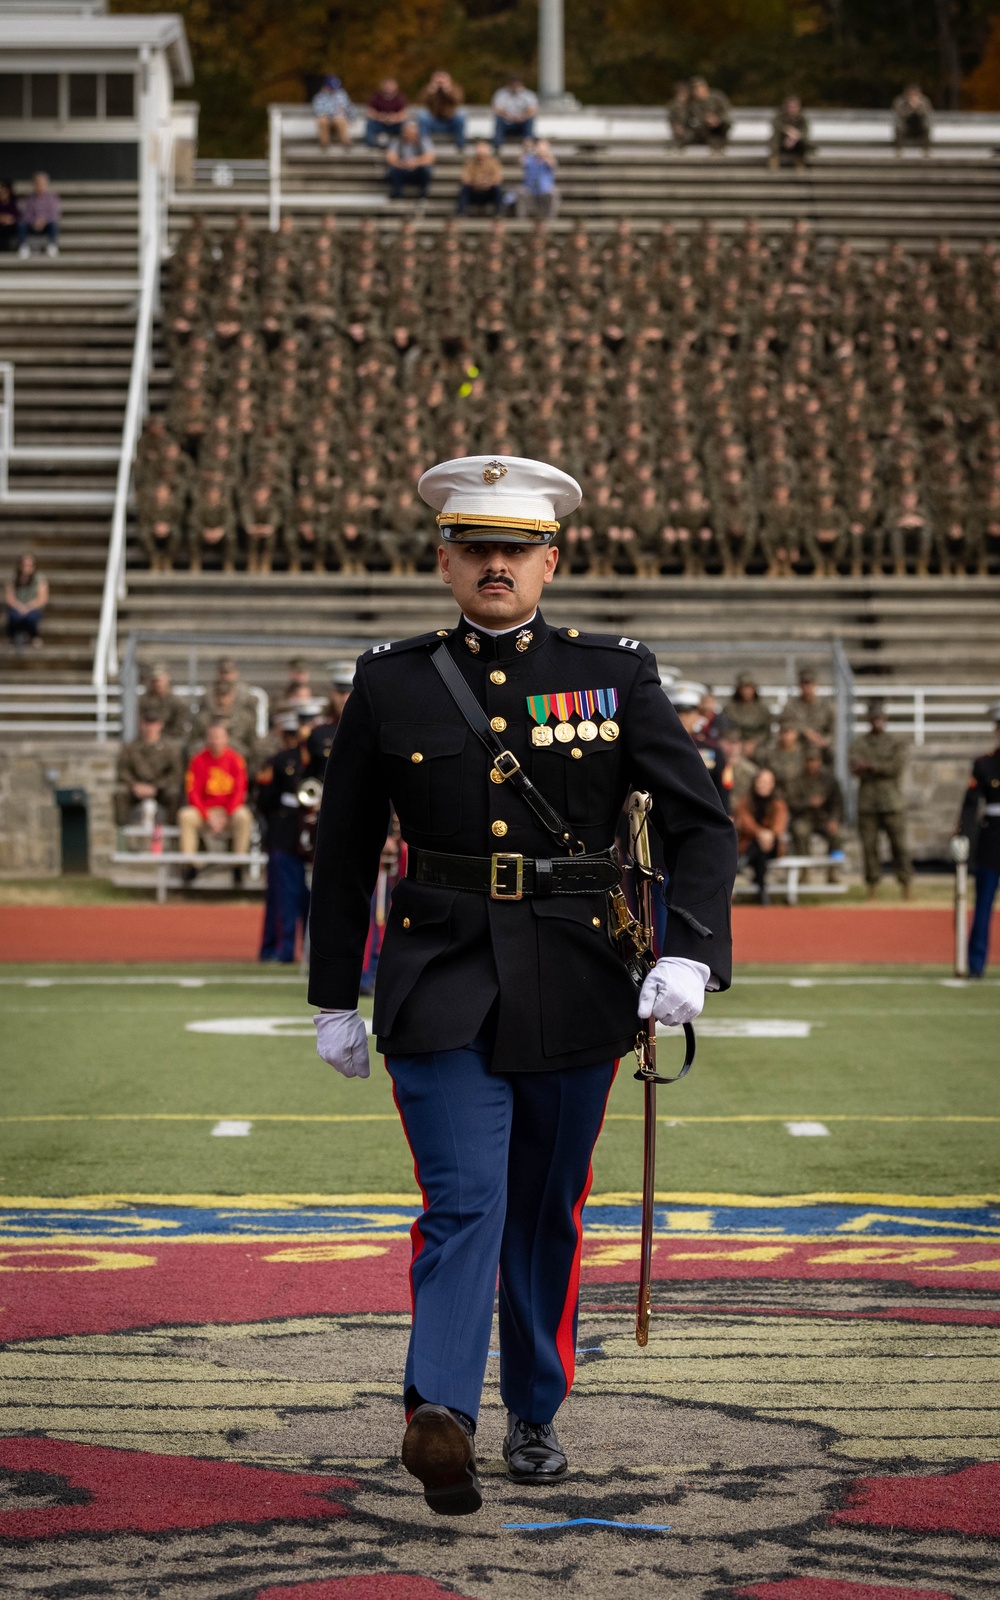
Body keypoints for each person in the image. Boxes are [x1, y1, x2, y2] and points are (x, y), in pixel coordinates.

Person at [309, 453, 737, 1516]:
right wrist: (331, 991)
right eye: (474, 546)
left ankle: (534, 1411)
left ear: (551, 559)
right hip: (439, 968)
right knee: (465, 1199)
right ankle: (440, 1413)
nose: (495, 564)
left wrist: (688, 948)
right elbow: (347, 843)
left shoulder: (617, 673)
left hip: (575, 971)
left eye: (515, 547)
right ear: (443, 560)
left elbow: (700, 822)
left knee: (544, 1210)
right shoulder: (389, 679)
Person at [257, 711, 311, 963]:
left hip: (306, 834)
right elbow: (265, 800)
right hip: (286, 833)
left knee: (293, 896)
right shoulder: (277, 760)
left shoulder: (290, 759)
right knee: (284, 896)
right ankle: (283, 948)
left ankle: (288, 948)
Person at [850, 698, 913, 899]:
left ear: (885, 719)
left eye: (880, 718)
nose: (877, 721)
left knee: (899, 846)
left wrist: (871, 766)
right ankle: (872, 886)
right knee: (869, 848)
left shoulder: (895, 742)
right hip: (868, 803)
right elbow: (854, 767)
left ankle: (906, 884)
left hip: (892, 802)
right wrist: (876, 767)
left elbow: (896, 768)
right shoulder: (860, 743)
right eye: (873, 717)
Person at [957, 702, 1000, 978]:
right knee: (983, 904)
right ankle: (975, 963)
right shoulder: (985, 764)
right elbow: (971, 804)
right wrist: (963, 834)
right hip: (993, 840)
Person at [178, 720, 254, 872]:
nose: (215, 741)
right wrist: (207, 816)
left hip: (228, 812)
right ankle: (190, 865)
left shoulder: (236, 760)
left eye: (219, 737)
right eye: (212, 737)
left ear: (226, 738)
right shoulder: (197, 760)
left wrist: (226, 815)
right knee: (185, 816)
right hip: (206, 812)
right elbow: (192, 792)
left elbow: (240, 791)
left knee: (244, 816)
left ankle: (238, 864)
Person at [114, 709, 184, 833]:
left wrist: (156, 787)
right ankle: (122, 834)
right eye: (147, 723)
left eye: (154, 723)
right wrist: (134, 785)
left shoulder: (169, 748)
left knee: (174, 793)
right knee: (120, 792)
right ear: (141, 724)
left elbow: (176, 774)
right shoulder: (131, 747)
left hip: (161, 790)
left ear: (160, 725)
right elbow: (122, 771)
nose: (150, 727)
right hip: (137, 789)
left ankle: (173, 835)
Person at [786, 751, 845, 877]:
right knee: (800, 831)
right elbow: (791, 803)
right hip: (804, 817)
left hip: (824, 818)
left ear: (820, 762)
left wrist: (834, 819)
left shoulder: (829, 780)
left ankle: (832, 871)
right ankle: (804, 871)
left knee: (837, 835)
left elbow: (838, 802)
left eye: (816, 760)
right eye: (810, 760)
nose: (813, 764)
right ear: (805, 762)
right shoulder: (796, 780)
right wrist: (808, 803)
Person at [734, 768, 788, 905]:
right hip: (750, 843)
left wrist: (769, 835)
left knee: (762, 847)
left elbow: (780, 825)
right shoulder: (745, 802)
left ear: (772, 784)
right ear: (755, 783)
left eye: (767, 782)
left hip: (771, 846)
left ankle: (743, 862)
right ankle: (762, 890)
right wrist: (760, 833)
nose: (763, 785)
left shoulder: (778, 804)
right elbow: (745, 822)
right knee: (760, 850)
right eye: (761, 781)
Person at [783, 667, 835, 762]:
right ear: (800, 686)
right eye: (804, 685)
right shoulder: (791, 706)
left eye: (810, 684)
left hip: (821, 744)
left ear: (815, 685)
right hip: (799, 744)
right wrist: (806, 732)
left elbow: (834, 727)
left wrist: (825, 740)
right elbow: (786, 724)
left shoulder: (825, 705)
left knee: (835, 751)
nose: (807, 688)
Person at [723, 671, 773, 758]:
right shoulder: (729, 709)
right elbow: (726, 729)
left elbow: (767, 732)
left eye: (749, 688)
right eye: (743, 688)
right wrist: (739, 743)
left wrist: (754, 742)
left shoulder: (763, 710)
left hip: (758, 746)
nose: (746, 691)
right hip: (736, 745)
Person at [5, 554, 48, 648]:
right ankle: (13, 637)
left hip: (33, 607)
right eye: (25, 565)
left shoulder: (39, 578)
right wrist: (19, 606)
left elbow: (42, 599)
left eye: (30, 565)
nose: (27, 568)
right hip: (17, 607)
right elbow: (9, 598)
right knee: (13, 615)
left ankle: (34, 636)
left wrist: (28, 607)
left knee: (31, 617)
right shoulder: (13, 577)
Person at [139, 664, 190, 742]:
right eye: (154, 680)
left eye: (159, 679)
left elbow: (179, 730)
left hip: (170, 741)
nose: (157, 683)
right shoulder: (143, 702)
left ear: (167, 677)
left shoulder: (177, 703)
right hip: (146, 739)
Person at [386, 120, 435, 201]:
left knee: (427, 169)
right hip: (402, 169)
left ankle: (423, 193)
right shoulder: (397, 141)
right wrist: (404, 163)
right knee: (392, 169)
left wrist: (415, 162)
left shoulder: (423, 140)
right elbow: (391, 158)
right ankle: (397, 193)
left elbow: (430, 157)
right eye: (407, 131)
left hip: (417, 170)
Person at [419, 70, 467, 150]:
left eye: (443, 79)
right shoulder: (430, 89)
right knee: (422, 117)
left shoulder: (455, 88)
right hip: (434, 121)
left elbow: (458, 100)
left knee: (461, 116)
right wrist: (431, 90)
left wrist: (447, 90)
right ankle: (424, 147)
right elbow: (421, 101)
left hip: (450, 122)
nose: (440, 82)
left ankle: (460, 147)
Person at [17, 172, 60, 258]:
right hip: (33, 224)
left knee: (54, 224)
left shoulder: (52, 198)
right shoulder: (30, 198)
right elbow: (26, 214)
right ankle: (23, 246)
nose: (39, 186)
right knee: (22, 224)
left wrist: (43, 220)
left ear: (46, 184)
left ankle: (52, 245)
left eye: (41, 184)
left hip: (47, 224)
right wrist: (34, 221)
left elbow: (55, 213)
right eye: (37, 183)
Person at [457, 141, 504, 215]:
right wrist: (476, 183)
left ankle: (499, 213)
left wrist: (487, 183)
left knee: (497, 189)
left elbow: (498, 178)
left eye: (483, 149)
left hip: (488, 191)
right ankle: (461, 212)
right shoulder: (470, 162)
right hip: (474, 190)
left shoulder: (494, 162)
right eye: (479, 149)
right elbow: (465, 178)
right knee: (464, 188)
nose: (481, 153)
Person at [491, 76, 538, 149]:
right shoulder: (501, 94)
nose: (515, 87)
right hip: (506, 122)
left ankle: (528, 143)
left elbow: (532, 110)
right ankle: (497, 144)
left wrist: (521, 117)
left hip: (522, 122)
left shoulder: (529, 95)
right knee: (499, 119)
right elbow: (497, 109)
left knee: (530, 120)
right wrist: (509, 116)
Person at [688, 77, 732, 154]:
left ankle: (720, 147)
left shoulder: (717, 96)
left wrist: (718, 119)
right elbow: (698, 115)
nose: (696, 92)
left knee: (725, 124)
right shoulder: (695, 103)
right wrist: (708, 119)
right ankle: (714, 148)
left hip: (720, 122)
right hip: (706, 126)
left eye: (698, 89)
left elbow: (725, 109)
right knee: (704, 128)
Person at [517, 139, 558, 220]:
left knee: (554, 194)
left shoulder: (550, 159)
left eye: (543, 147)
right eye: (539, 146)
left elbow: (553, 166)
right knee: (520, 192)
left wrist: (545, 156)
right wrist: (525, 150)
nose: (540, 149)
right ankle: (521, 220)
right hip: (530, 187)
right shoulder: (529, 158)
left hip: (546, 188)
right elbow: (521, 162)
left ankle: (551, 219)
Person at [312, 76, 355, 150]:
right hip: (326, 119)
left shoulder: (342, 94)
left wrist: (351, 118)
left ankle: (346, 143)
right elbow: (319, 111)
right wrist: (332, 114)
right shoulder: (319, 96)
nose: (334, 90)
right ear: (326, 86)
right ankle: (324, 144)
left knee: (340, 120)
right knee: (322, 120)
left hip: (338, 119)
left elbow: (349, 108)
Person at [770, 96, 812, 170]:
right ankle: (774, 163)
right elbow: (775, 124)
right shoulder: (780, 116)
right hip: (782, 142)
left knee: (804, 143)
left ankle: (800, 164)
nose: (792, 109)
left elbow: (805, 132)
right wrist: (787, 130)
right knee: (774, 139)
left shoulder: (802, 119)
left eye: (794, 106)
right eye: (790, 106)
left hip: (796, 143)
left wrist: (794, 138)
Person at [366, 78, 409, 146]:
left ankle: (402, 145)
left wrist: (394, 118)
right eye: (387, 86)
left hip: (395, 123)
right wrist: (380, 116)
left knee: (404, 125)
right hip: (379, 122)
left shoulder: (400, 97)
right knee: (370, 123)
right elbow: (370, 112)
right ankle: (371, 144)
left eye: (391, 86)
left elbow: (404, 113)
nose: (389, 88)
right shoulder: (376, 96)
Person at [893, 84, 933, 156]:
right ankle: (898, 150)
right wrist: (909, 108)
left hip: (919, 125)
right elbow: (899, 115)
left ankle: (926, 151)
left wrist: (918, 107)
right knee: (898, 127)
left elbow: (927, 114)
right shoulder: (900, 101)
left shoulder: (924, 101)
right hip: (906, 126)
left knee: (927, 126)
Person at [0, 181, 20, 253]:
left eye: (4, 192)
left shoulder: (13, 202)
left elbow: (17, 215)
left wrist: (10, 219)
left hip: (11, 227)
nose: (2, 194)